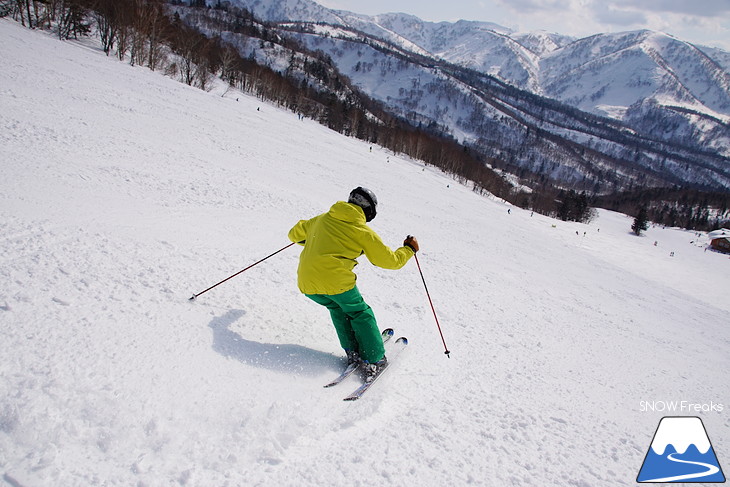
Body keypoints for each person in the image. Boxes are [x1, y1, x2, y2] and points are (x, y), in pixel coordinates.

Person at [287, 187, 419, 381]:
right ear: (369, 212)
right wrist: (408, 249)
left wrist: (317, 238)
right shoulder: (362, 231)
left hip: (307, 282)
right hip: (336, 282)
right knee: (360, 312)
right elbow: (390, 261)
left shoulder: (322, 218)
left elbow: (293, 235)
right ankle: (374, 360)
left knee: (338, 308)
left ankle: (353, 351)